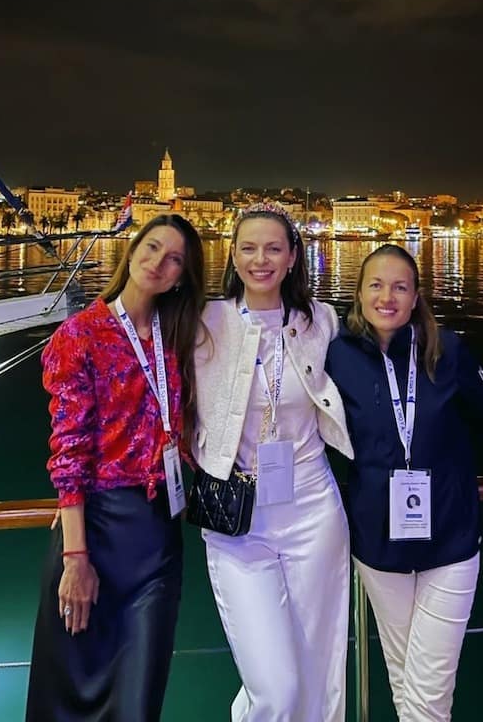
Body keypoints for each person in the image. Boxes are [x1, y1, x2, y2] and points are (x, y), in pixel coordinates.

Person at [325, 243, 483, 722]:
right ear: (358, 293)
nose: (387, 297)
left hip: (450, 541)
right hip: (379, 544)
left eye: (400, 287)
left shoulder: (446, 349)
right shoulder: (338, 356)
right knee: (405, 681)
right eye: (376, 285)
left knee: (428, 694)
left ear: (416, 296)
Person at [26, 214, 205, 722]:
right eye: (152, 247)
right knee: (69, 699)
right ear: (132, 250)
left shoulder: (180, 335)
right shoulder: (80, 334)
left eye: (175, 259)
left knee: (139, 699)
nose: (159, 263)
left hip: (159, 535)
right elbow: (69, 450)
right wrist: (75, 556)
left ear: (182, 277)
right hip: (97, 533)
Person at [193, 201, 354, 721]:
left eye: (273, 249)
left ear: (292, 258)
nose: (260, 260)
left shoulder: (321, 320)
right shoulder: (205, 322)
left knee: (320, 669)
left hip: (312, 507)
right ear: (232, 255)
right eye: (248, 248)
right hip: (237, 518)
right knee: (274, 688)